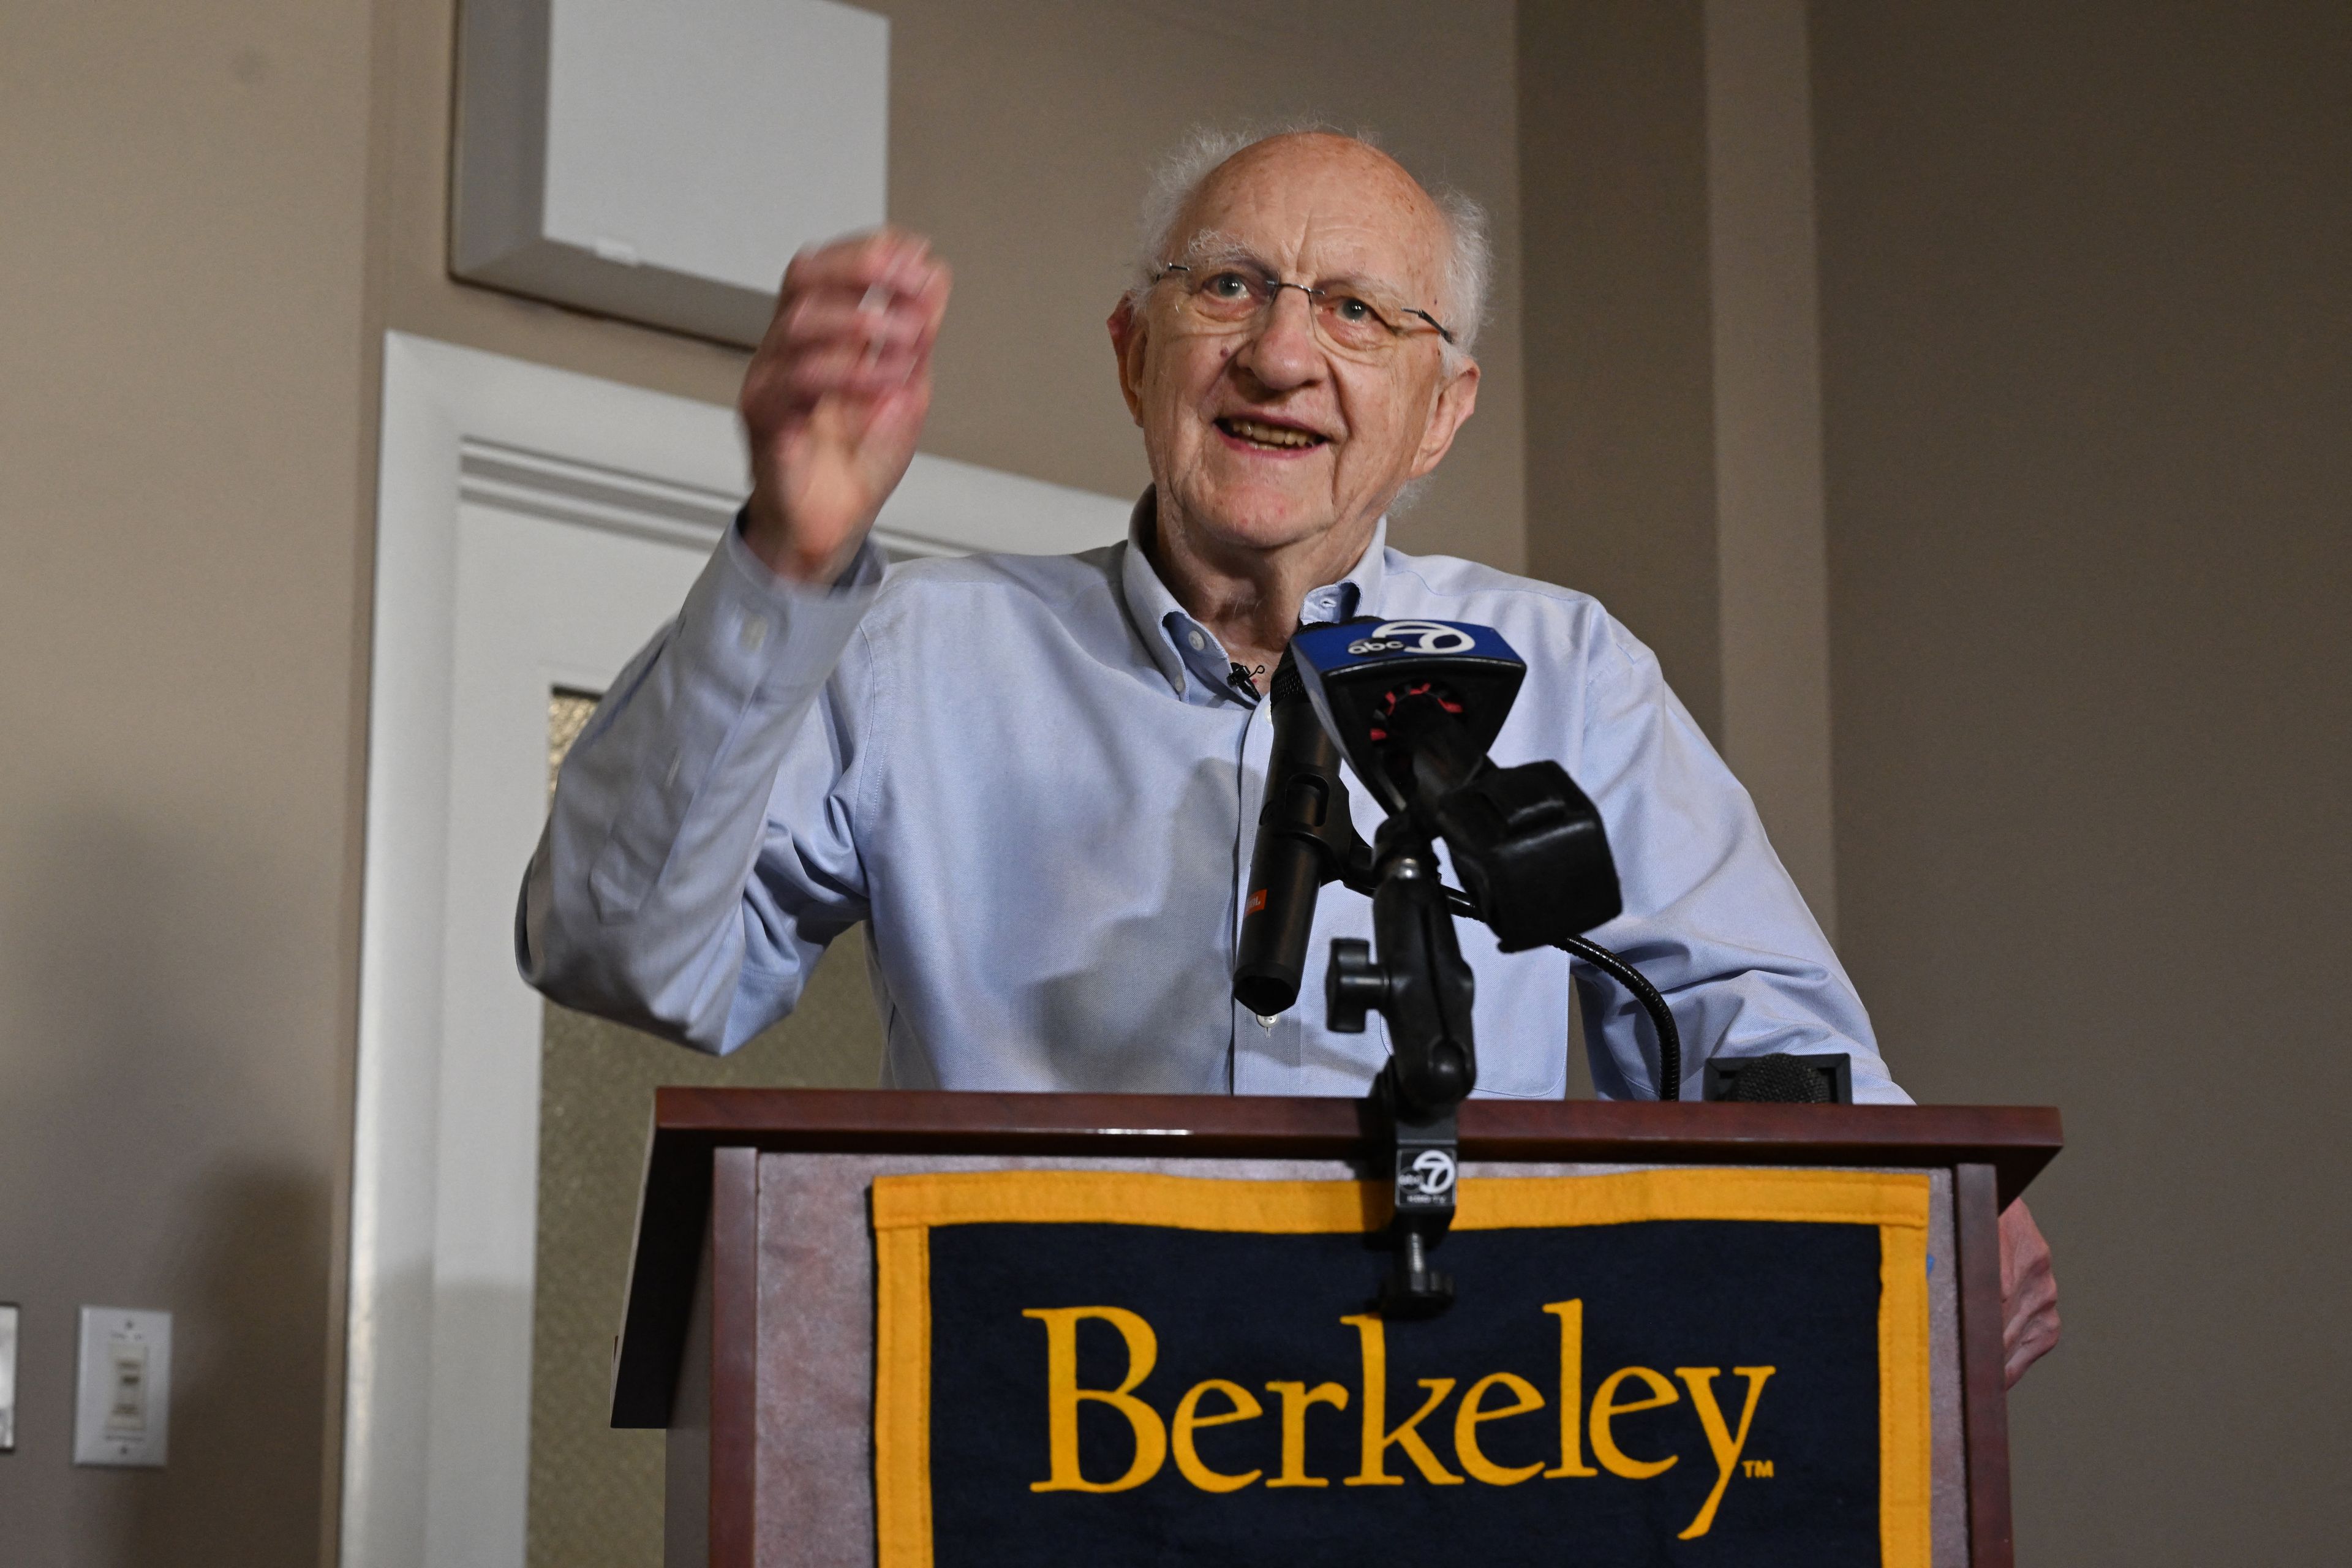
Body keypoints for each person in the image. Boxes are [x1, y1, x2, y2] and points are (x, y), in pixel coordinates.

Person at [518, 128, 2057, 1382]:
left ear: (1440, 413)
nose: (1281, 352)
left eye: (1358, 312)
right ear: (1134, 356)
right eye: (1231, 285)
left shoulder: (1569, 672)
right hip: (1035, 1417)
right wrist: (787, 565)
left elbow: (1755, 1027)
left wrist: (1921, 1208)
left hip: (1470, 1424)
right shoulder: (919, 650)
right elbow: (618, 948)